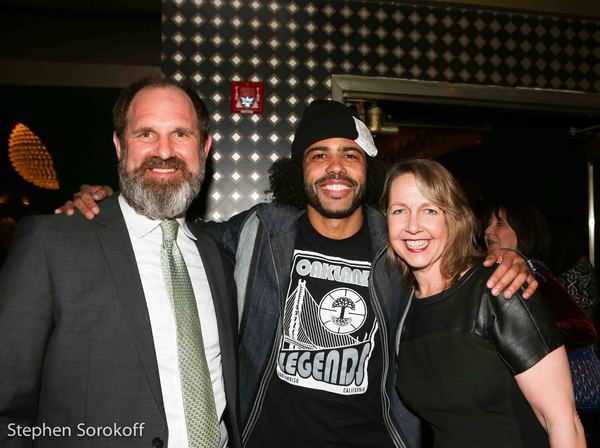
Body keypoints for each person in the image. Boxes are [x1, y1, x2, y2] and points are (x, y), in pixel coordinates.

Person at [57, 100, 536, 448]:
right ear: (298, 169)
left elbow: (452, 273)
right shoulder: (258, 231)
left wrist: (511, 260)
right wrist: (111, 203)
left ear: (367, 170)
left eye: (350, 154)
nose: (335, 167)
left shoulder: (397, 243)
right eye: (319, 154)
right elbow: (171, 229)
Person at [0, 78, 242, 448]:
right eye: (146, 134)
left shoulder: (219, 257)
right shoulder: (51, 244)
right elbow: (8, 408)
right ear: (119, 145)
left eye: (181, 134)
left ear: (204, 147)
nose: (164, 151)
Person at [383, 158, 585, 447]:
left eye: (429, 210)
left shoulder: (499, 287)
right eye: (400, 210)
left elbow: (564, 422)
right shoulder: (401, 304)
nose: (413, 226)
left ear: (453, 218)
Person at [483, 201, 597, 351]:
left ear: (523, 230)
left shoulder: (532, 271)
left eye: (499, 224)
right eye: (488, 223)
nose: (487, 230)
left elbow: (583, 330)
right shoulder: (494, 269)